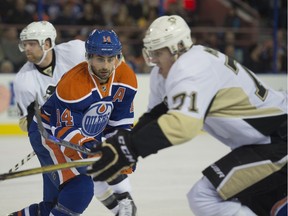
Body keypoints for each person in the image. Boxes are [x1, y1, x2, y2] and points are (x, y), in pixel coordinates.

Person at [87, 15, 287, 216]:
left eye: (158, 52)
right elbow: (155, 116)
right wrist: (123, 145)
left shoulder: (191, 66)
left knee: (204, 197)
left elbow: (184, 125)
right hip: (263, 142)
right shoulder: (168, 71)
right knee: (256, 204)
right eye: (151, 52)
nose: (153, 59)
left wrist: (129, 148)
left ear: (178, 48)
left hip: (277, 140)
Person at [12, 22, 137, 215]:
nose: (105, 66)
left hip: (82, 124)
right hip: (49, 132)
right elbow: (64, 131)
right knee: (81, 188)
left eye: (110, 59)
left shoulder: (123, 77)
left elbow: (120, 122)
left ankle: (123, 203)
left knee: (58, 201)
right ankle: (120, 207)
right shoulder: (54, 84)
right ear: (88, 57)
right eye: (99, 59)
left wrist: (122, 146)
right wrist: (90, 149)